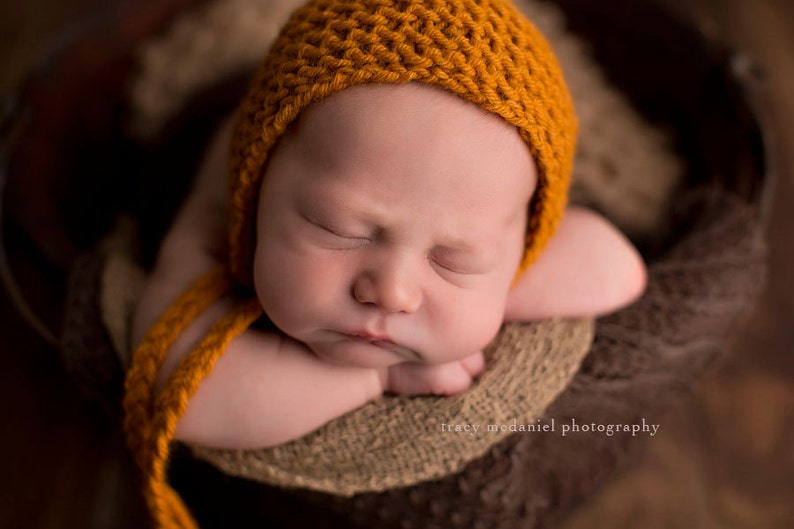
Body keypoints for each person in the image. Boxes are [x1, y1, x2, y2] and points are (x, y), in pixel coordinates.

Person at [126, 0, 646, 455]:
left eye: (452, 258)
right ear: (258, 189)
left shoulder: (494, 205)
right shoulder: (221, 212)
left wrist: (484, 296)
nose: (393, 292)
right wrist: (379, 376)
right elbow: (181, 396)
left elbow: (618, 267)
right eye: (340, 229)